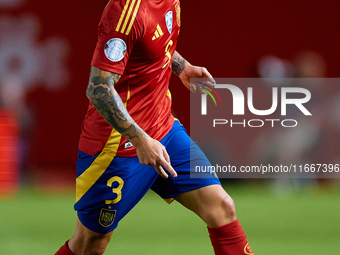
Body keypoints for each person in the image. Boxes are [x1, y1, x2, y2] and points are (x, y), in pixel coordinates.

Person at [55, 0, 254, 254]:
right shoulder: (124, 12)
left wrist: (182, 67)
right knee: (90, 244)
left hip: (164, 131)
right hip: (117, 148)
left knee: (222, 207)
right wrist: (140, 140)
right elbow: (99, 88)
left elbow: (153, 42)